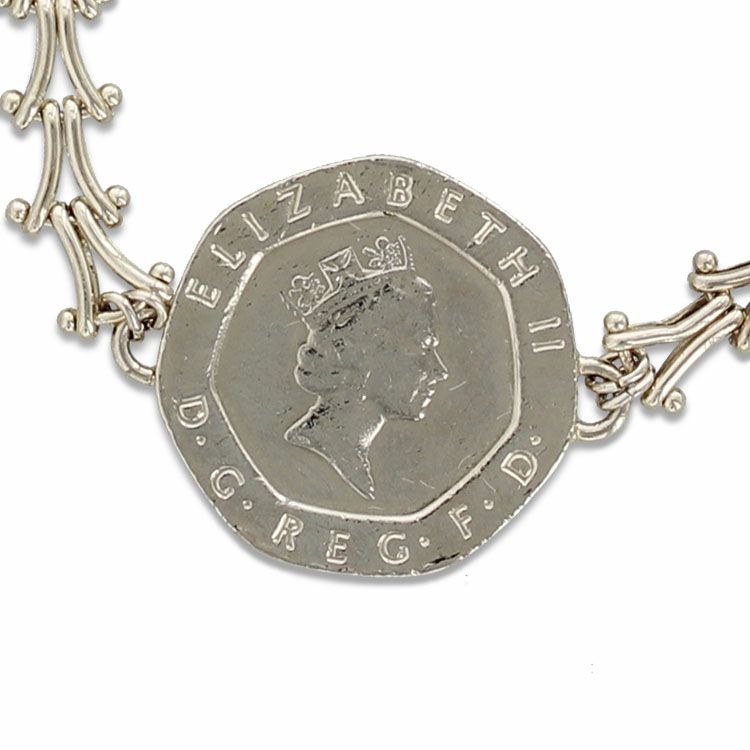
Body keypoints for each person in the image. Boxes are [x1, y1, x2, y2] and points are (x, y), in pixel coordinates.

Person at [284, 235, 448, 500]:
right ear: (359, 357)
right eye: (422, 346)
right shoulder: (312, 463)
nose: (439, 370)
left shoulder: (351, 461)